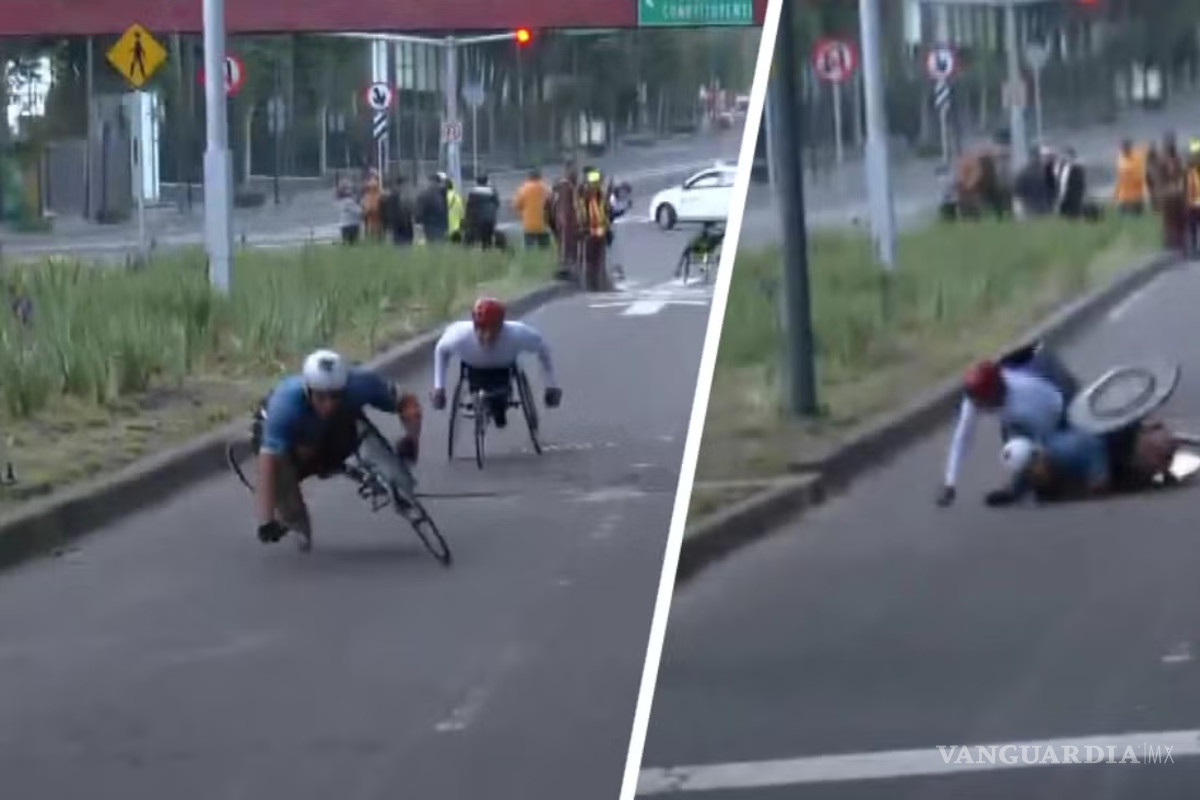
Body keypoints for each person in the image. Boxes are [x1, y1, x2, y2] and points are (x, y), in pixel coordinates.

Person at [253, 350, 423, 551]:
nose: (329, 404)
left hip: (334, 433)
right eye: (321, 397)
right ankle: (293, 519)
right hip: (292, 441)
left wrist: (412, 440)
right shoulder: (285, 405)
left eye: (336, 396)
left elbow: (407, 403)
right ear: (308, 390)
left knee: (357, 423)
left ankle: (396, 485)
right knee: (282, 475)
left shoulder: (360, 384)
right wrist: (266, 519)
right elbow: (268, 463)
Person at [937, 350, 1076, 507]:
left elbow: (1045, 436)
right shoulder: (976, 399)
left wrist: (1043, 465)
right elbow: (962, 439)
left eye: (983, 402)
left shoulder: (1024, 400)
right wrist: (950, 484)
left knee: (1060, 451)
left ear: (996, 393)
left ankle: (1043, 481)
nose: (978, 408)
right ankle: (1022, 483)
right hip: (1022, 414)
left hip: (1059, 406)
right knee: (1015, 445)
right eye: (977, 402)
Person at [430, 297, 562, 428]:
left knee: (500, 398)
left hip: (504, 369)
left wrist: (550, 385)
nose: (487, 336)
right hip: (474, 370)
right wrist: (439, 388)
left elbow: (543, 348)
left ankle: (499, 405)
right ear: (475, 326)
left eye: (492, 330)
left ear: (501, 326)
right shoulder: (460, 336)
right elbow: (441, 350)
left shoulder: (516, 334)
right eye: (482, 329)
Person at [575, 168, 612, 291]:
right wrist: (582, 228)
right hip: (588, 232)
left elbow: (604, 212)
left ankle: (599, 285)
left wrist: (607, 228)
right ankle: (590, 286)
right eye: (596, 181)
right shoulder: (583, 196)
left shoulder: (599, 195)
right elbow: (581, 213)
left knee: (598, 261)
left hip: (599, 232)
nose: (598, 184)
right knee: (590, 262)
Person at [513, 168, 552, 249]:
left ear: (528, 177)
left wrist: (521, 213)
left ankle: (531, 260)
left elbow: (516, 205)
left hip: (529, 224)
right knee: (545, 249)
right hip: (543, 224)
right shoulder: (546, 189)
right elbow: (552, 203)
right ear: (540, 177)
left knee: (529, 249)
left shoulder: (523, 189)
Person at [464, 174, 500, 248]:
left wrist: (467, 219)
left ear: (477, 182)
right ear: (487, 181)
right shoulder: (493, 190)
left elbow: (469, 207)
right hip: (490, 219)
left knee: (476, 238)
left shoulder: (473, 192)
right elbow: (497, 204)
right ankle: (487, 252)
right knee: (487, 239)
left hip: (478, 220)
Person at [1113, 139, 1147, 215]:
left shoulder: (1137, 157)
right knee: (1121, 218)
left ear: (1130, 147)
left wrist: (1129, 174)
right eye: (1123, 148)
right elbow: (1119, 178)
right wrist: (1115, 194)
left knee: (1136, 218)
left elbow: (1140, 177)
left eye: (1126, 147)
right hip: (1123, 196)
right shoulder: (1120, 158)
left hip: (1136, 196)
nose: (1124, 150)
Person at [380, 175, 415, 246]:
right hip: (399, 228)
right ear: (400, 185)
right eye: (406, 185)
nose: (407, 187)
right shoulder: (393, 197)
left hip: (407, 227)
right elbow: (390, 213)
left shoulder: (406, 197)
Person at [417, 173, 449, 242]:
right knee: (439, 243)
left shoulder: (425, 194)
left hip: (430, 223)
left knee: (431, 243)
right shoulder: (444, 193)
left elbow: (420, 209)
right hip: (440, 223)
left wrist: (419, 221)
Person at [336, 180, 362, 245]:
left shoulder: (339, 200)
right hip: (352, 226)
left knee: (346, 245)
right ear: (344, 190)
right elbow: (359, 212)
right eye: (349, 188)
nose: (351, 190)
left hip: (343, 225)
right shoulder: (349, 201)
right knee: (353, 245)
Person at [445, 177, 465, 243]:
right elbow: (461, 211)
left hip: (446, 225)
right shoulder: (457, 196)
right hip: (456, 226)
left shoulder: (443, 196)